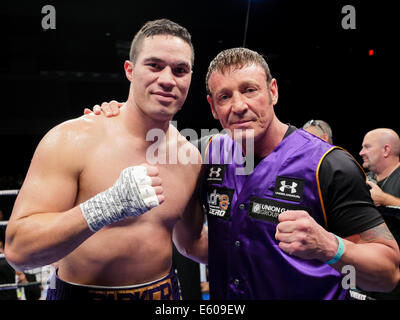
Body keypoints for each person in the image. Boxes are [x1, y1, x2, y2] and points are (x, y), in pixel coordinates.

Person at [87, 48, 400, 299]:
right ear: (212, 107)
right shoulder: (206, 154)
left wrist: (330, 247)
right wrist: (113, 118)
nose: (238, 106)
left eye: (250, 90)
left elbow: (388, 275)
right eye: (224, 96)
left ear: (273, 91)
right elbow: (191, 243)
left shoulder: (330, 165)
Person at [4, 19, 207, 300]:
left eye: (180, 70)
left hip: (164, 294)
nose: (167, 79)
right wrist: (106, 206)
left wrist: (267, 239)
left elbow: (191, 243)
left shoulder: (190, 158)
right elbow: (18, 251)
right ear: (130, 70)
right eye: (154, 65)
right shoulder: (72, 139)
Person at [359, 128, 400, 299]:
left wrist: (384, 199)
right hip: (368, 271)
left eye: (367, 147)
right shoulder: (364, 179)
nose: (361, 152)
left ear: (386, 150)